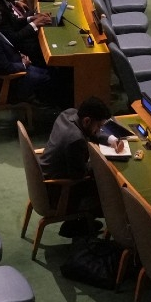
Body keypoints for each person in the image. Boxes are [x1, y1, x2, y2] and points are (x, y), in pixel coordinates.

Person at [38, 97, 123, 227]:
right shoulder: (75, 140)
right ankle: (79, 226)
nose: (99, 130)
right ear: (87, 120)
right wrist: (101, 161)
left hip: (43, 180)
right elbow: (78, 175)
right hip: (57, 192)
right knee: (109, 189)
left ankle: (76, 224)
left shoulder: (68, 114)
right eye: (99, 126)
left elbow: (90, 132)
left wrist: (110, 140)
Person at [0, 1, 69, 108]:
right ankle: (57, 107)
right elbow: (4, 68)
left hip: (15, 64)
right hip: (12, 82)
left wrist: (19, 56)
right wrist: (23, 64)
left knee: (51, 70)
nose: (1, 15)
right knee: (52, 76)